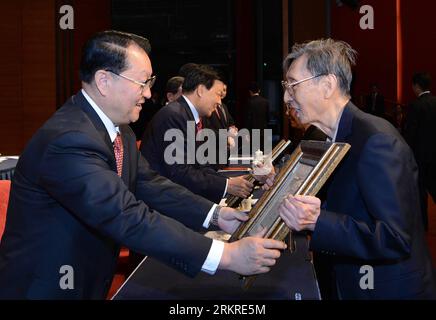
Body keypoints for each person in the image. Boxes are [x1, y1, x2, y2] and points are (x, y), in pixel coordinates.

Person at [0, 31, 286, 299]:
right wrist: (227, 256)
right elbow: (125, 214)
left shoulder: (118, 129)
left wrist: (216, 215)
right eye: (143, 82)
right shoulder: (69, 140)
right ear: (104, 80)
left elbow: (150, 184)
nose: (149, 94)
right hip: (45, 286)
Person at [278, 39, 436, 299]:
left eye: (292, 85)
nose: (286, 97)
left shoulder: (375, 140)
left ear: (327, 85)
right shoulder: (337, 137)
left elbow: (394, 237)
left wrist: (318, 221)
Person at [140, 64, 258, 203]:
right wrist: (226, 185)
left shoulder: (188, 115)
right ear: (201, 90)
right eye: (218, 94)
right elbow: (180, 172)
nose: (220, 102)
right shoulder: (174, 116)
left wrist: (229, 181)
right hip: (163, 201)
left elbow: (200, 166)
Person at [403, 72, 436, 230]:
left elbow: (410, 133)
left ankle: (424, 225)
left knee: (420, 190)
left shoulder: (415, 106)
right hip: (434, 154)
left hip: (420, 156)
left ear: (416, 86)